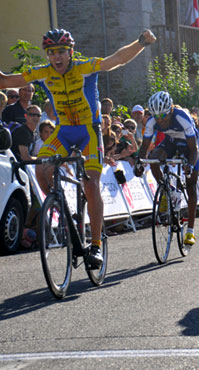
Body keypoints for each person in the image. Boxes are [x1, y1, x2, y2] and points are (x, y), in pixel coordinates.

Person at [0, 28, 156, 269]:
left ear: (70, 52)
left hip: (89, 131)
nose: (57, 57)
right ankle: (59, 204)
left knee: (91, 183)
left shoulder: (84, 68)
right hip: (63, 131)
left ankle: (95, 245)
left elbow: (116, 60)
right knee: (40, 170)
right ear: (47, 55)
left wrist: (141, 43)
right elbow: (7, 81)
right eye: (52, 53)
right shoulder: (42, 73)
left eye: (61, 51)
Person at [135, 91, 199, 246]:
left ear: (170, 110)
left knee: (191, 185)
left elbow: (195, 150)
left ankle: (190, 231)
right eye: (157, 117)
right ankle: (166, 189)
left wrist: (189, 166)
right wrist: (139, 163)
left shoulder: (181, 118)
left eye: (163, 116)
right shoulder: (152, 122)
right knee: (154, 157)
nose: (160, 120)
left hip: (188, 143)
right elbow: (144, 148)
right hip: (171, 141)